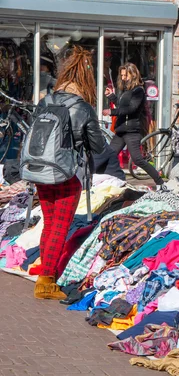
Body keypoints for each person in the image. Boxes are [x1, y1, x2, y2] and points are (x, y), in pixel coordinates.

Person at [33, 46, 105, 299]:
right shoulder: (82, 107)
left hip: (40, 171)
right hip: (65, 172)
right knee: (60, 227)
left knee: (49, 224)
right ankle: (46, 281)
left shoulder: (46, 100)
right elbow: (98, 146)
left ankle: (46, 272)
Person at [102, 63, 165, 188]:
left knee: (138, 160)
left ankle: (160, 182)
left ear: (133, 74)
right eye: (122, 75)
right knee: (109, 155)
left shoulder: (138, 91)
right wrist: (112, 97)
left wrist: (112, 112)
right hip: (120, 130)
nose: (124, 78)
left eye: (126, 75)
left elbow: (131, 109)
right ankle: (103, 181)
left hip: (131, 131)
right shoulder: (127, 90)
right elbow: (122, 105)